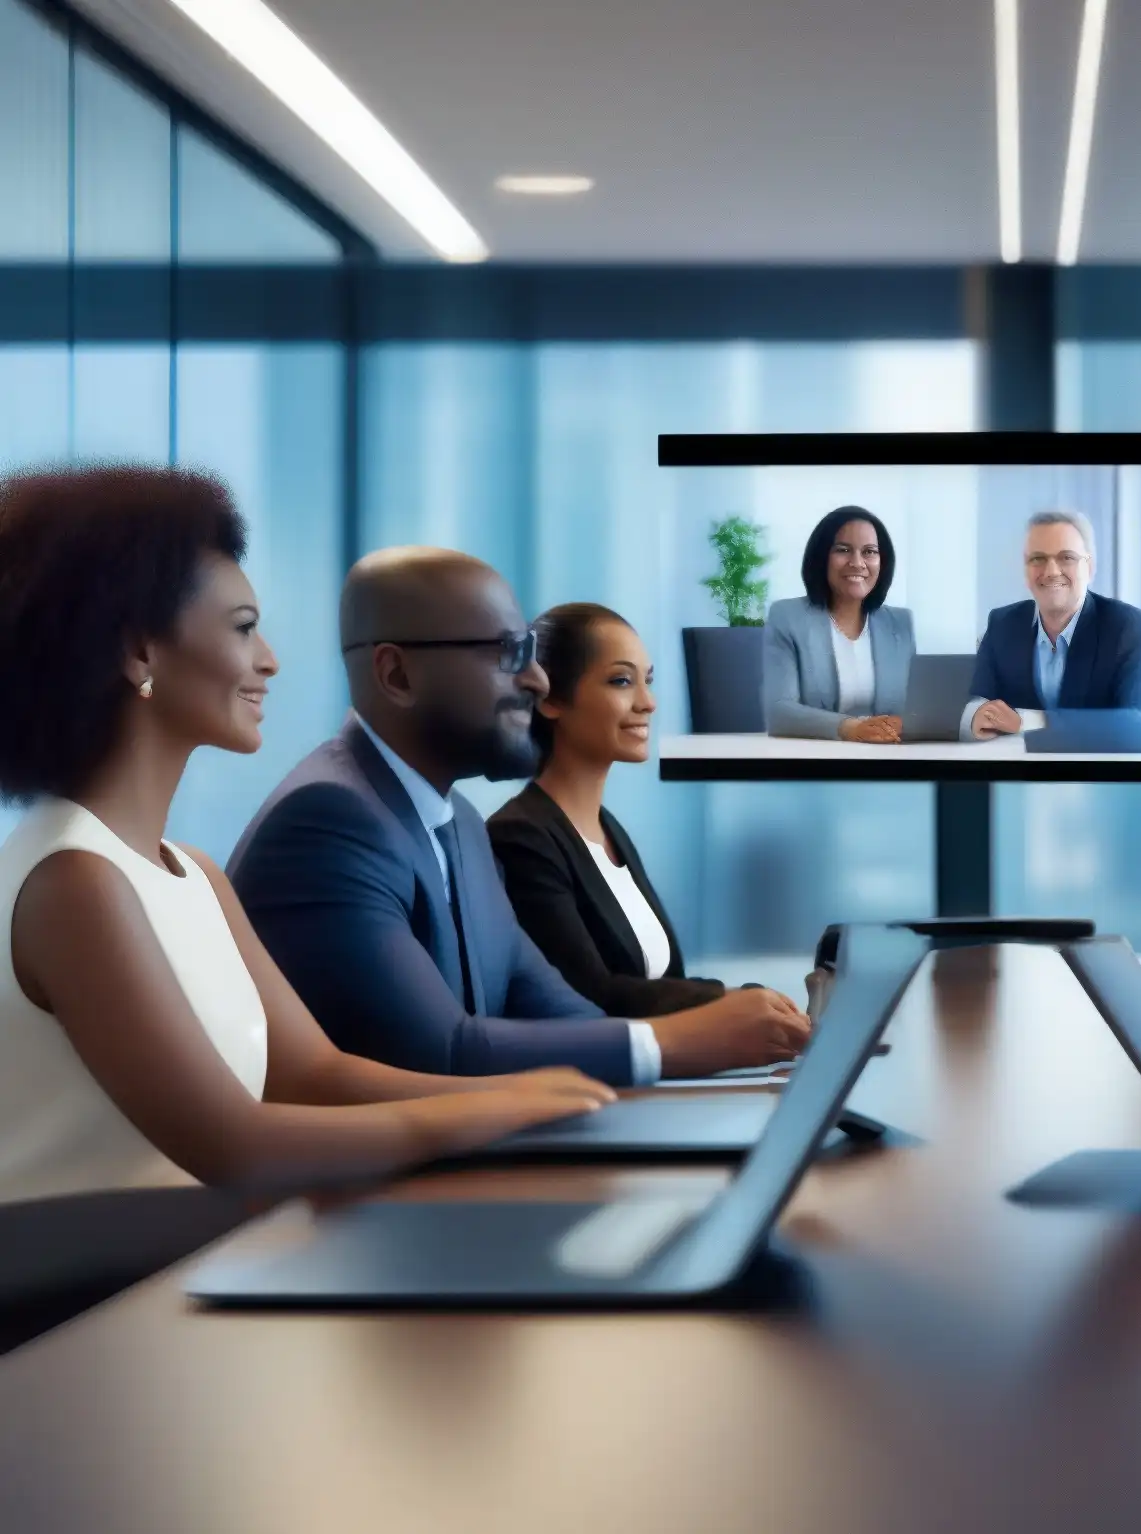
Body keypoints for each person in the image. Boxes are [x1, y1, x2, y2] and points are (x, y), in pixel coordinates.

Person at [0, 468, 615, 1206]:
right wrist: (487, 1112)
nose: (270, 660)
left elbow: (315, 1077)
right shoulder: (76, 881)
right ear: (140, 653)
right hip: (86, 1300)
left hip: (175, 1261)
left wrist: (534, 1093)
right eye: (242, 628)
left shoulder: (193, 875)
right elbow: (233, 1142)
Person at [229, 547, 810, 1089]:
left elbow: (565, 1014)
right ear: (397, 676)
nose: (535, 679)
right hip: (352, 1193)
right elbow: (444, 1053)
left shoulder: (460, 827)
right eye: (510, 654)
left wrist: (724, 1038)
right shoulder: (328, 822)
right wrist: (682, 1042)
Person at [491, 603, 763, 1024]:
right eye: (621, 681)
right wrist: (730, 1001)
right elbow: (589, 995)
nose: (648, 703)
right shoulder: (520, 838)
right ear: (550, 699)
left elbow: (663, 983)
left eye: (647, 681)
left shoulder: (608, 830)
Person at [960, 511, 1141, 751]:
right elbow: (977, 700)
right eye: (1038, 559)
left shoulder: (1126, 626)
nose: (1051, 571)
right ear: (1025, 569)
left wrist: (1029, 721)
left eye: (1066, 557)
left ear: (1090, 567)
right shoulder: (1002, 623)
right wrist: (975, 717)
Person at [762, 507, 916, 743]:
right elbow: (779, 713)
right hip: (815, 761)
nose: (857, 563)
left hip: (888, 757)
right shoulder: (787, 617)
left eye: (869, 552)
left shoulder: (900, 623)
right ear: (822, 557)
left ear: (882, 562)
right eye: (843, 550)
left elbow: (914, 709)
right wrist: (850, 728)